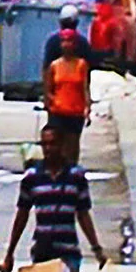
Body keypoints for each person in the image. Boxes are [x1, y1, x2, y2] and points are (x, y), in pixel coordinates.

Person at [4, 124, 107, 272]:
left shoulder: (76, 176)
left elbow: (83, 214)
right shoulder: (32, 177)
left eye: (52, 144)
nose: (48, 149)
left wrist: (97, 249)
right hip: (42, 251)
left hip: (68, 251)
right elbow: (22, 215)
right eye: (44, 145)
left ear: (62, 145)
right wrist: (10, 254)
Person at [40, 15, 92, 167]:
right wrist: (49, 102)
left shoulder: (81, 65)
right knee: (58, 146)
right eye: (64, 41)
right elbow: (48, 88)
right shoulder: (55, 66)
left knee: (73, 147)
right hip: (58, 112)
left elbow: (85, 87)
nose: (66, 45)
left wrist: (88, 108)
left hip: (75, 112)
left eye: (70, 41)